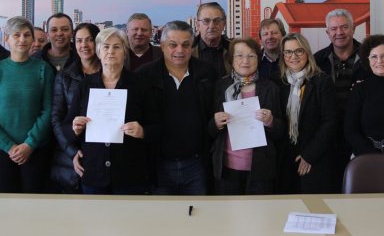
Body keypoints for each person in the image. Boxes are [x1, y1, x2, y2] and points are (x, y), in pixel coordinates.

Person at [138, 21, 218, 195]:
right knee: (162, 219)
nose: (180, 51)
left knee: (198, 217)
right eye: (173, 45)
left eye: (186, 45)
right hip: (158, 165)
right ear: (162, 45)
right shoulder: (144, 76)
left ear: (192, 46)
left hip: (197, 164)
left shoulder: (208, 74)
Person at [71, 28, 153, 195]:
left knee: (128, 221)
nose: (110, 51)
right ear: (99, 52)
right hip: (94, 171)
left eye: (117, 47)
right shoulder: (85, 85)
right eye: (106, 46)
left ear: (125, 51)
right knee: (95, 220)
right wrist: (75, 129)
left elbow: (158, 126)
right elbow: (67, 124)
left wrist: (143, 131)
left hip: (129, 173)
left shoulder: (141, 85)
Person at [0, 16, 54, 193]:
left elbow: (48, 110)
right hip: (1, 151)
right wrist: (9, 147)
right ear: (6, 38)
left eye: (27, 35)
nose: (22, 39)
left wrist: (29, 144)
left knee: (34, 205)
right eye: (16, 35)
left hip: (36, 150)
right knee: (5, 207)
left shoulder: (43, 69)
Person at [209, 38, 284, 194]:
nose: (245, 61)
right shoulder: (220, 87)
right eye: (239, 55)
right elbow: (209, 129)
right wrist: (215, 123)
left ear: (258, 58)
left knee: (259, 216)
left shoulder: (270, 88)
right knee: (228, 215)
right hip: (226, 168)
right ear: (231, 59)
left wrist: (270, 122)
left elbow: (281, 131)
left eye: (251, 56)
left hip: (260, 169)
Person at [274, 33, 337, 194]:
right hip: (284, 158)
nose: (293, 56)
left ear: (307, 53)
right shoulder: (277, 82)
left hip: (315, 158)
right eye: (288, 52)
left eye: (299, 51)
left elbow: (330, 122)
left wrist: (309, 155)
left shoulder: (322, 81)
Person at [313, 8, 368, 185]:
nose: (339, 33)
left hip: (361, 137)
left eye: (344, 27)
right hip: (327, 138)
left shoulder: (370, 59)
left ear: (353, 28)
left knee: (359, 187)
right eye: (334, 29)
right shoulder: (317, 61)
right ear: (327, 32)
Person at [50, 23, 100, 193]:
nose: (84, 45)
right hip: (69, 155)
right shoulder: (64, 76)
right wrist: (72, 152)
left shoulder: (111, 73)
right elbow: (56, 119)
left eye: (89, 40)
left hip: (101, 154)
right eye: (79, 41)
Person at [192, 2, 230, 77]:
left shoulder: (234, 50)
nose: (211, 26)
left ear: (224, 24)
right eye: (206, 21)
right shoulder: (187, 51)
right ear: (197, 25)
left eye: (217, 21)